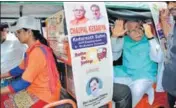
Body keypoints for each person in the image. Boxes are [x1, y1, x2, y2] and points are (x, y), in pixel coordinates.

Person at [0, 16, 61, 108]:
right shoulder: (32, 50)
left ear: (29, 32)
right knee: (3, 98)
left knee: (3, 102)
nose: (16, 35)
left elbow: (24, 82)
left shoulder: (37, 52)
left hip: (44, 97)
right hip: (34, 91)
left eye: (19, 32)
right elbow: (18, 69)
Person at [111, 19, 163, 107]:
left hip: (145, 76)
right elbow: (114, 55)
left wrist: (150, 37)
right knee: (107, 80)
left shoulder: (150, 39)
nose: (138, 32)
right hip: (126, 74)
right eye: (133, 30)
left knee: (136, 91)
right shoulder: (125, 39)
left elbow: (159, 57)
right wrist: (114, 36)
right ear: (126, 32)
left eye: (140, 28)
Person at [160, 1, 176, 108]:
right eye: (170, 4)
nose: (171, 7)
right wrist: (163, 19)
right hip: (171, 84)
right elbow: (169, 36)